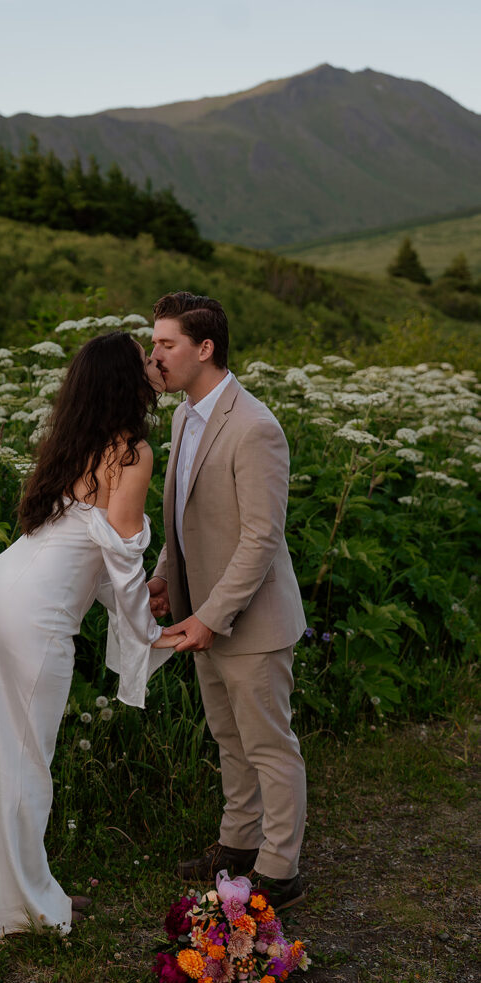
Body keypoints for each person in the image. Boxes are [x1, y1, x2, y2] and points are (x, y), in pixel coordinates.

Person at [0, 331, 181, 944]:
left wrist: (136, 610)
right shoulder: (130, 452)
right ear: (124, 381)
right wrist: (150, 633)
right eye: (143, 360)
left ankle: (13, 889)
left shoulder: (75, 442)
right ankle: (23, 907)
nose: (154, 364)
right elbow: (125, 562)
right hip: (31, 617)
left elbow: (88, 554)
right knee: (27, 759)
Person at [148, 292, 308, 910]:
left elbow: (262, 538)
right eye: (155, 343)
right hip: (198, 611)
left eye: (166, 344)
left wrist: (212, 616)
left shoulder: (255, 426)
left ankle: (280, 869)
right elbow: (185, 516)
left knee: (269, 744)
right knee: (228, 739)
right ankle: (237, 846)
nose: (154, 355)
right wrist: (166, 576)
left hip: (250, 619)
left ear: (204, 348)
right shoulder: (185, 415)